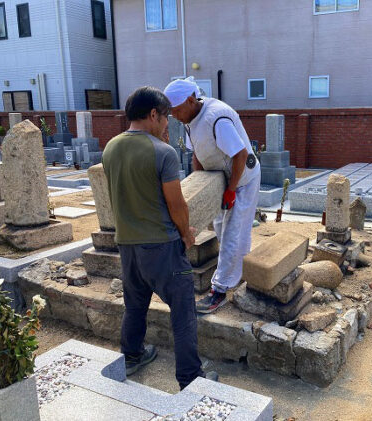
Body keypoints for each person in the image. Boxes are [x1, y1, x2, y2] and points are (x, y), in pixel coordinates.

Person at [102, 86, 214, 389]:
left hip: (127, 245)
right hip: (162, 246)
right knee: (183, 310)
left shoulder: (110, 147)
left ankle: (131, 355)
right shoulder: (162, 152)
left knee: (135, 305)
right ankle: (190, 378)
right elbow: (176, 204)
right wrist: (186, 235)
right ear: (153, 114)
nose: (168, 123)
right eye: (165, 117)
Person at [164, 77, 261, 314]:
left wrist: (231, 189)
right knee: (221, 227)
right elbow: (197, 152)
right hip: (220, 178)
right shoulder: (190, 117)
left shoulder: (215, 118)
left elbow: (239, 155)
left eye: (176, 110)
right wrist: (201, 186)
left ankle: (219, 290)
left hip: (242, 179)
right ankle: (238, 268)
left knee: (232, 232)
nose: (174, 116)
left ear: (189, 100)